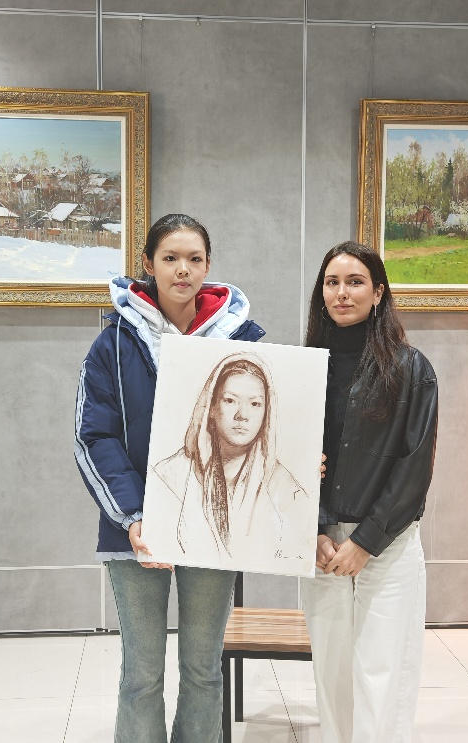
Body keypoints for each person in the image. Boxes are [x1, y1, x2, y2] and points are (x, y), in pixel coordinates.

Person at [74, 213, 264, 743]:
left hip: (214, 527)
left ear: (208, 265)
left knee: (203, 670)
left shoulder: (240, 340)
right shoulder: (112, 344)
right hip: (136, 529)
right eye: (171, 258)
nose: (183, 269)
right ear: (148, 264)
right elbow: (94, 436)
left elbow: (260, 428)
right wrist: (134, 515)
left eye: (194, 259)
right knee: (141, 674)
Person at [300, 241, 438, 743]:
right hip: (321, 544)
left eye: (355, 282)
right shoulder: (303, 367)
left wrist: (365, 542)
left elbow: (414, 467)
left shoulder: (411, 368)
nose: (342, 292)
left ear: (378, 292)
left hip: (387, 544)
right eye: (332, 282)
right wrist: (317, 528)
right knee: (332, 674)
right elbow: (290, 458)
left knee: (381, 676)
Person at [148, 352, 310, 566]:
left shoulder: (285, 487)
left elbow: (297, 548)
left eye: (255, 404)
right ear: (211, 407)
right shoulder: (170, 476)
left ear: (267, 413)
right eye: (230, 400)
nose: (242, 415)